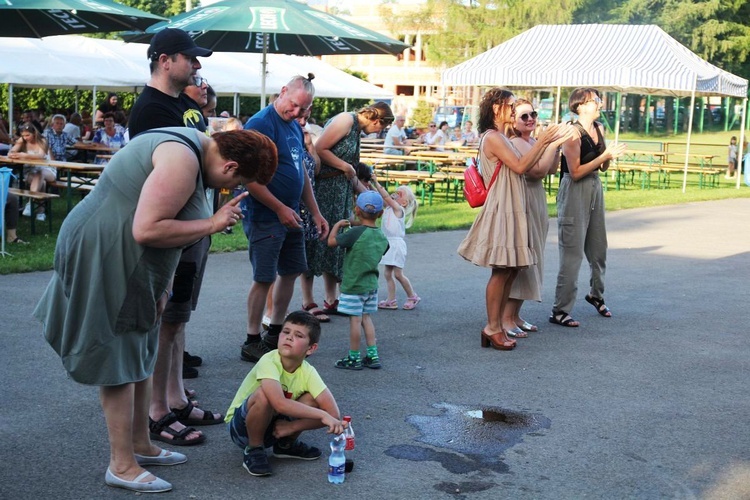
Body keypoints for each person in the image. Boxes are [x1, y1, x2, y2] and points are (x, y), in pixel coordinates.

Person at [33, 127, 277, 493]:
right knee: (117, 355)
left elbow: (165, 226)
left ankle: (141, 445)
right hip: (105, 255)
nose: (226, 189)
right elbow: (147, 229)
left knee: (143, 348)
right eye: (237, 181)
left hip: (134, 263)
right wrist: (211, 223)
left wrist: (161, 285)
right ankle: (121, 465)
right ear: (228, 166)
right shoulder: (182, 159)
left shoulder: (198, 147)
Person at [127, 28, 220, 447]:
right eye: (190, 58)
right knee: (164, 321)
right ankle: (156, 410)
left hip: (197, 224)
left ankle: (176, 397)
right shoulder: (149, 110)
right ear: (165, 60)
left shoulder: (183, 103)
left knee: (179, 316)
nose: (197, 65)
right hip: (174, 228)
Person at [457, 88, 571, 351]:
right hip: (502, 206)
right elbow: (521, 167)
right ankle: (492, 326)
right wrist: (545, 142)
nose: (513, 110)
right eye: (510, 106)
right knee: (501, 271)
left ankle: (496, 325)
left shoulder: (502, 137)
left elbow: (531, 167)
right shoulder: (494, 137)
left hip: (511, 204)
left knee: (510, 269)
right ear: (496, 108)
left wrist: (545, 143)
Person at [240, 74, 328, 363]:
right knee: (264, 277)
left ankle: (274, 331)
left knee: (291, 271)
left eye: (304, 109)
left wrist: (314, 211)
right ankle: (252, 338)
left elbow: (300, 171)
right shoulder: (260, 124)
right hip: (267, 215)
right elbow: (248, 176)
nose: (298, 114)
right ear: (282, 92)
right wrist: (279, 207)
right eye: (294, 106)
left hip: (292, 214)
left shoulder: (292, 127)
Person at [226, 310, 345, 477]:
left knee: (312, 400)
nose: (289, 337)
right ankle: (254, 449)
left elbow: (334, 414)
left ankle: (285, 445)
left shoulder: (308, 372)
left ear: (311, 348)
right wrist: (322, 416)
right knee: (264, 395)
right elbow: (279, 403)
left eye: (298, 335)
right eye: (286, 332)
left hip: (276, 427)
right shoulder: (269, 360)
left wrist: (293, 426)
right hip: (241, 429)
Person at [550, 88, 627, 328]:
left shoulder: (599, 129)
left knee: (598, 247)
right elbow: (574, 172)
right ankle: (560, 310)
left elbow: (600, 169)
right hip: (575, 190)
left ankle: (596, 294)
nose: (600, 104)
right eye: (596, 100)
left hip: (595, 186)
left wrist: (608, 157)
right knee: (572, 253)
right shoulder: (572, 133)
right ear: (581, 105)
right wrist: (604, 156)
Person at [313, 101, 394, 317]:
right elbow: (319, 147)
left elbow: (350, 173)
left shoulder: (357, 129)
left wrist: (366, 193)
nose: (380, 131)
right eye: (382, 127)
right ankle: (307, 300)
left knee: (337, 243)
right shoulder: (346, 120)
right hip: (325, 189)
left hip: (340, 190)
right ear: (376, 120)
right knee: (320, 239)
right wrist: (344, 166)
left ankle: (332, 299)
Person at [502, 99, 566, 336]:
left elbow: (550, 170)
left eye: (533, 114)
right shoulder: (515, 143)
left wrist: (556, 147)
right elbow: (536, 171)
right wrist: (550, 143)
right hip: (523, 200)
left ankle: (515, 315)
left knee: (534, 257)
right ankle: (506, 318)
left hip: (537, 200)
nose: (530, 119)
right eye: (524, 116)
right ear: (514, 122)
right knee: (523, 259)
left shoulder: (532, 141)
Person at [327, 190, 389, 370]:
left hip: (354, 286)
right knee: (366, 319)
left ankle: (354, 357)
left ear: (357, 210)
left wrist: (338, 225)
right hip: (371, 286)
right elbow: (383, 250)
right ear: (381, 213)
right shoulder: (381, 236)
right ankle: (373, 355)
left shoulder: (354, 233)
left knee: (354, 320)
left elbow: (331, 242)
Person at [370, 177, 420, 310]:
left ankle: (412, 296)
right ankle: (391, 300)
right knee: (387, 273)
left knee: (398, 274)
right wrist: (371, 185)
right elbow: (382, 197)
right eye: (396, 192)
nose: (395, 194)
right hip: (388, 244)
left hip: (396, 245)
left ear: (404, 203)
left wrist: (376, 181)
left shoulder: (398, 209)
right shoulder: (389, 208)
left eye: (399, 194)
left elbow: (385, 196)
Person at [9, 123, 49, 222]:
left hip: (47, 168)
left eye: (28, 135)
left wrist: (23, 155)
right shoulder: (22, 140)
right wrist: (15, 153)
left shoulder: (42, 140)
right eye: (23, 135)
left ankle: (30, 202)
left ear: (34, 134)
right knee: (41, 181)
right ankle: (40, 212)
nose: (25, 138)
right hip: (30, 170)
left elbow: (41, 156)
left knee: (41, 173)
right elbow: (11, 152)